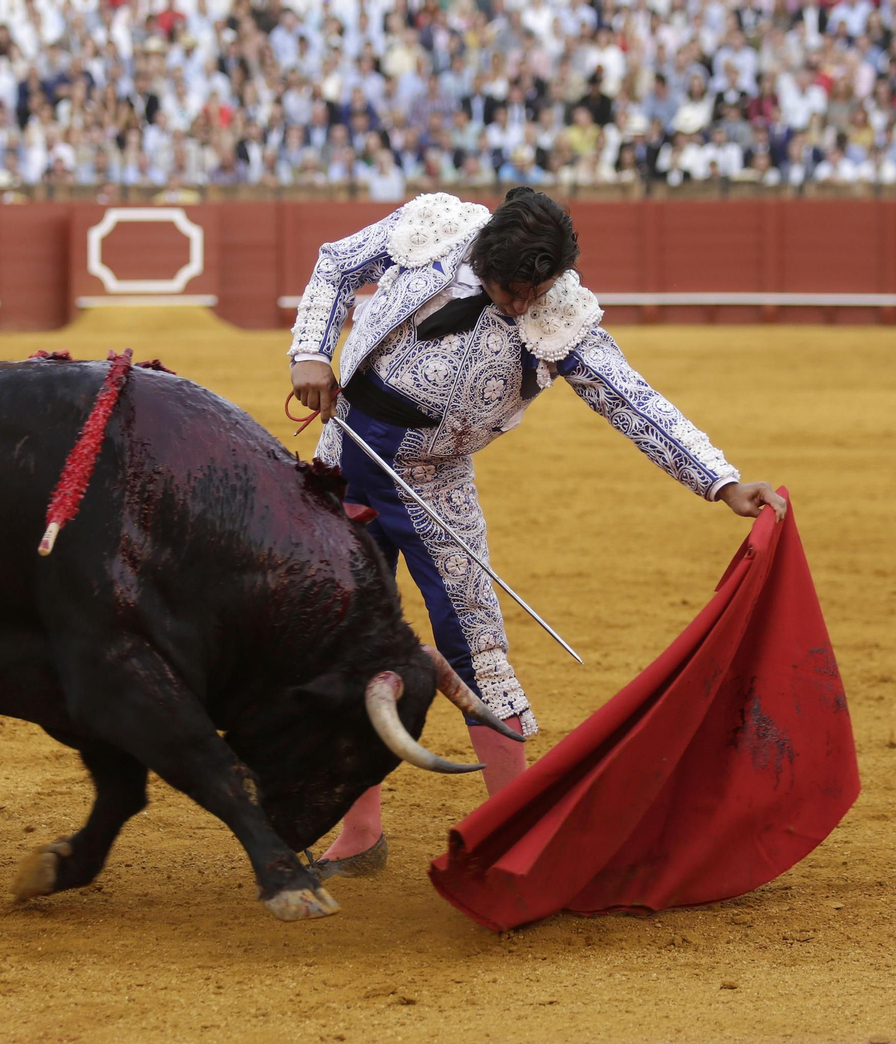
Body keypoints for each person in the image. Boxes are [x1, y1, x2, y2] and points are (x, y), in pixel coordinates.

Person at [288, 189, 785, 878]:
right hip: (344, 457)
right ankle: (360, 833)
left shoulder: (560, 316)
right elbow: (338, 264)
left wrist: (721, 481)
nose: (523, 304)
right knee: (338, 638)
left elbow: (631, 399)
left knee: (476, 647)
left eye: (536, 291)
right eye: (511, 289)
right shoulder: (436, 228)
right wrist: (311, 351)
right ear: (482, 257)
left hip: (433, 485)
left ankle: (511, 840)